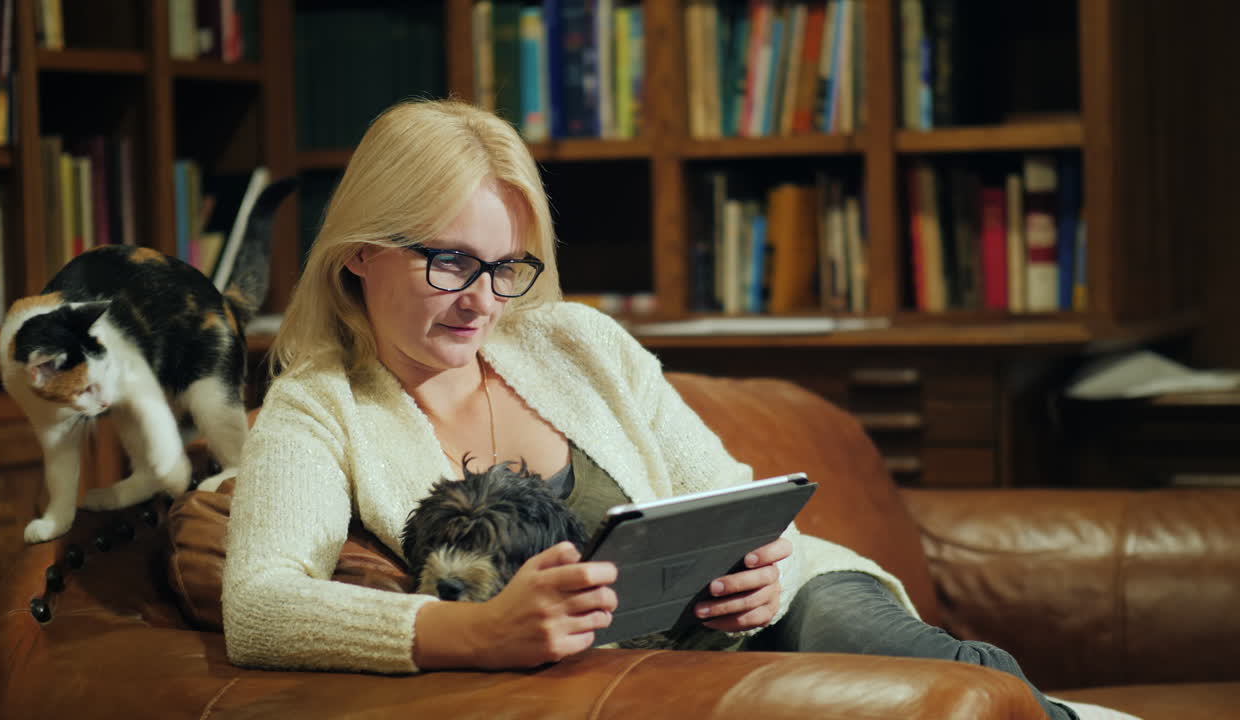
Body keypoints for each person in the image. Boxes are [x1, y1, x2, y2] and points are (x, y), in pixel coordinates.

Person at [222, 99, 1085, 720]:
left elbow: (729, 494)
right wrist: (473, 632)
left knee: (928, 671)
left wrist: (762, 569)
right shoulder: (317, 407)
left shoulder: (573, 340)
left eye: (506, 266)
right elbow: (260, 606)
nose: (484, 301)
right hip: (643, 686)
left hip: (779, 612)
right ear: (361, 253)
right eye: (450, 262)